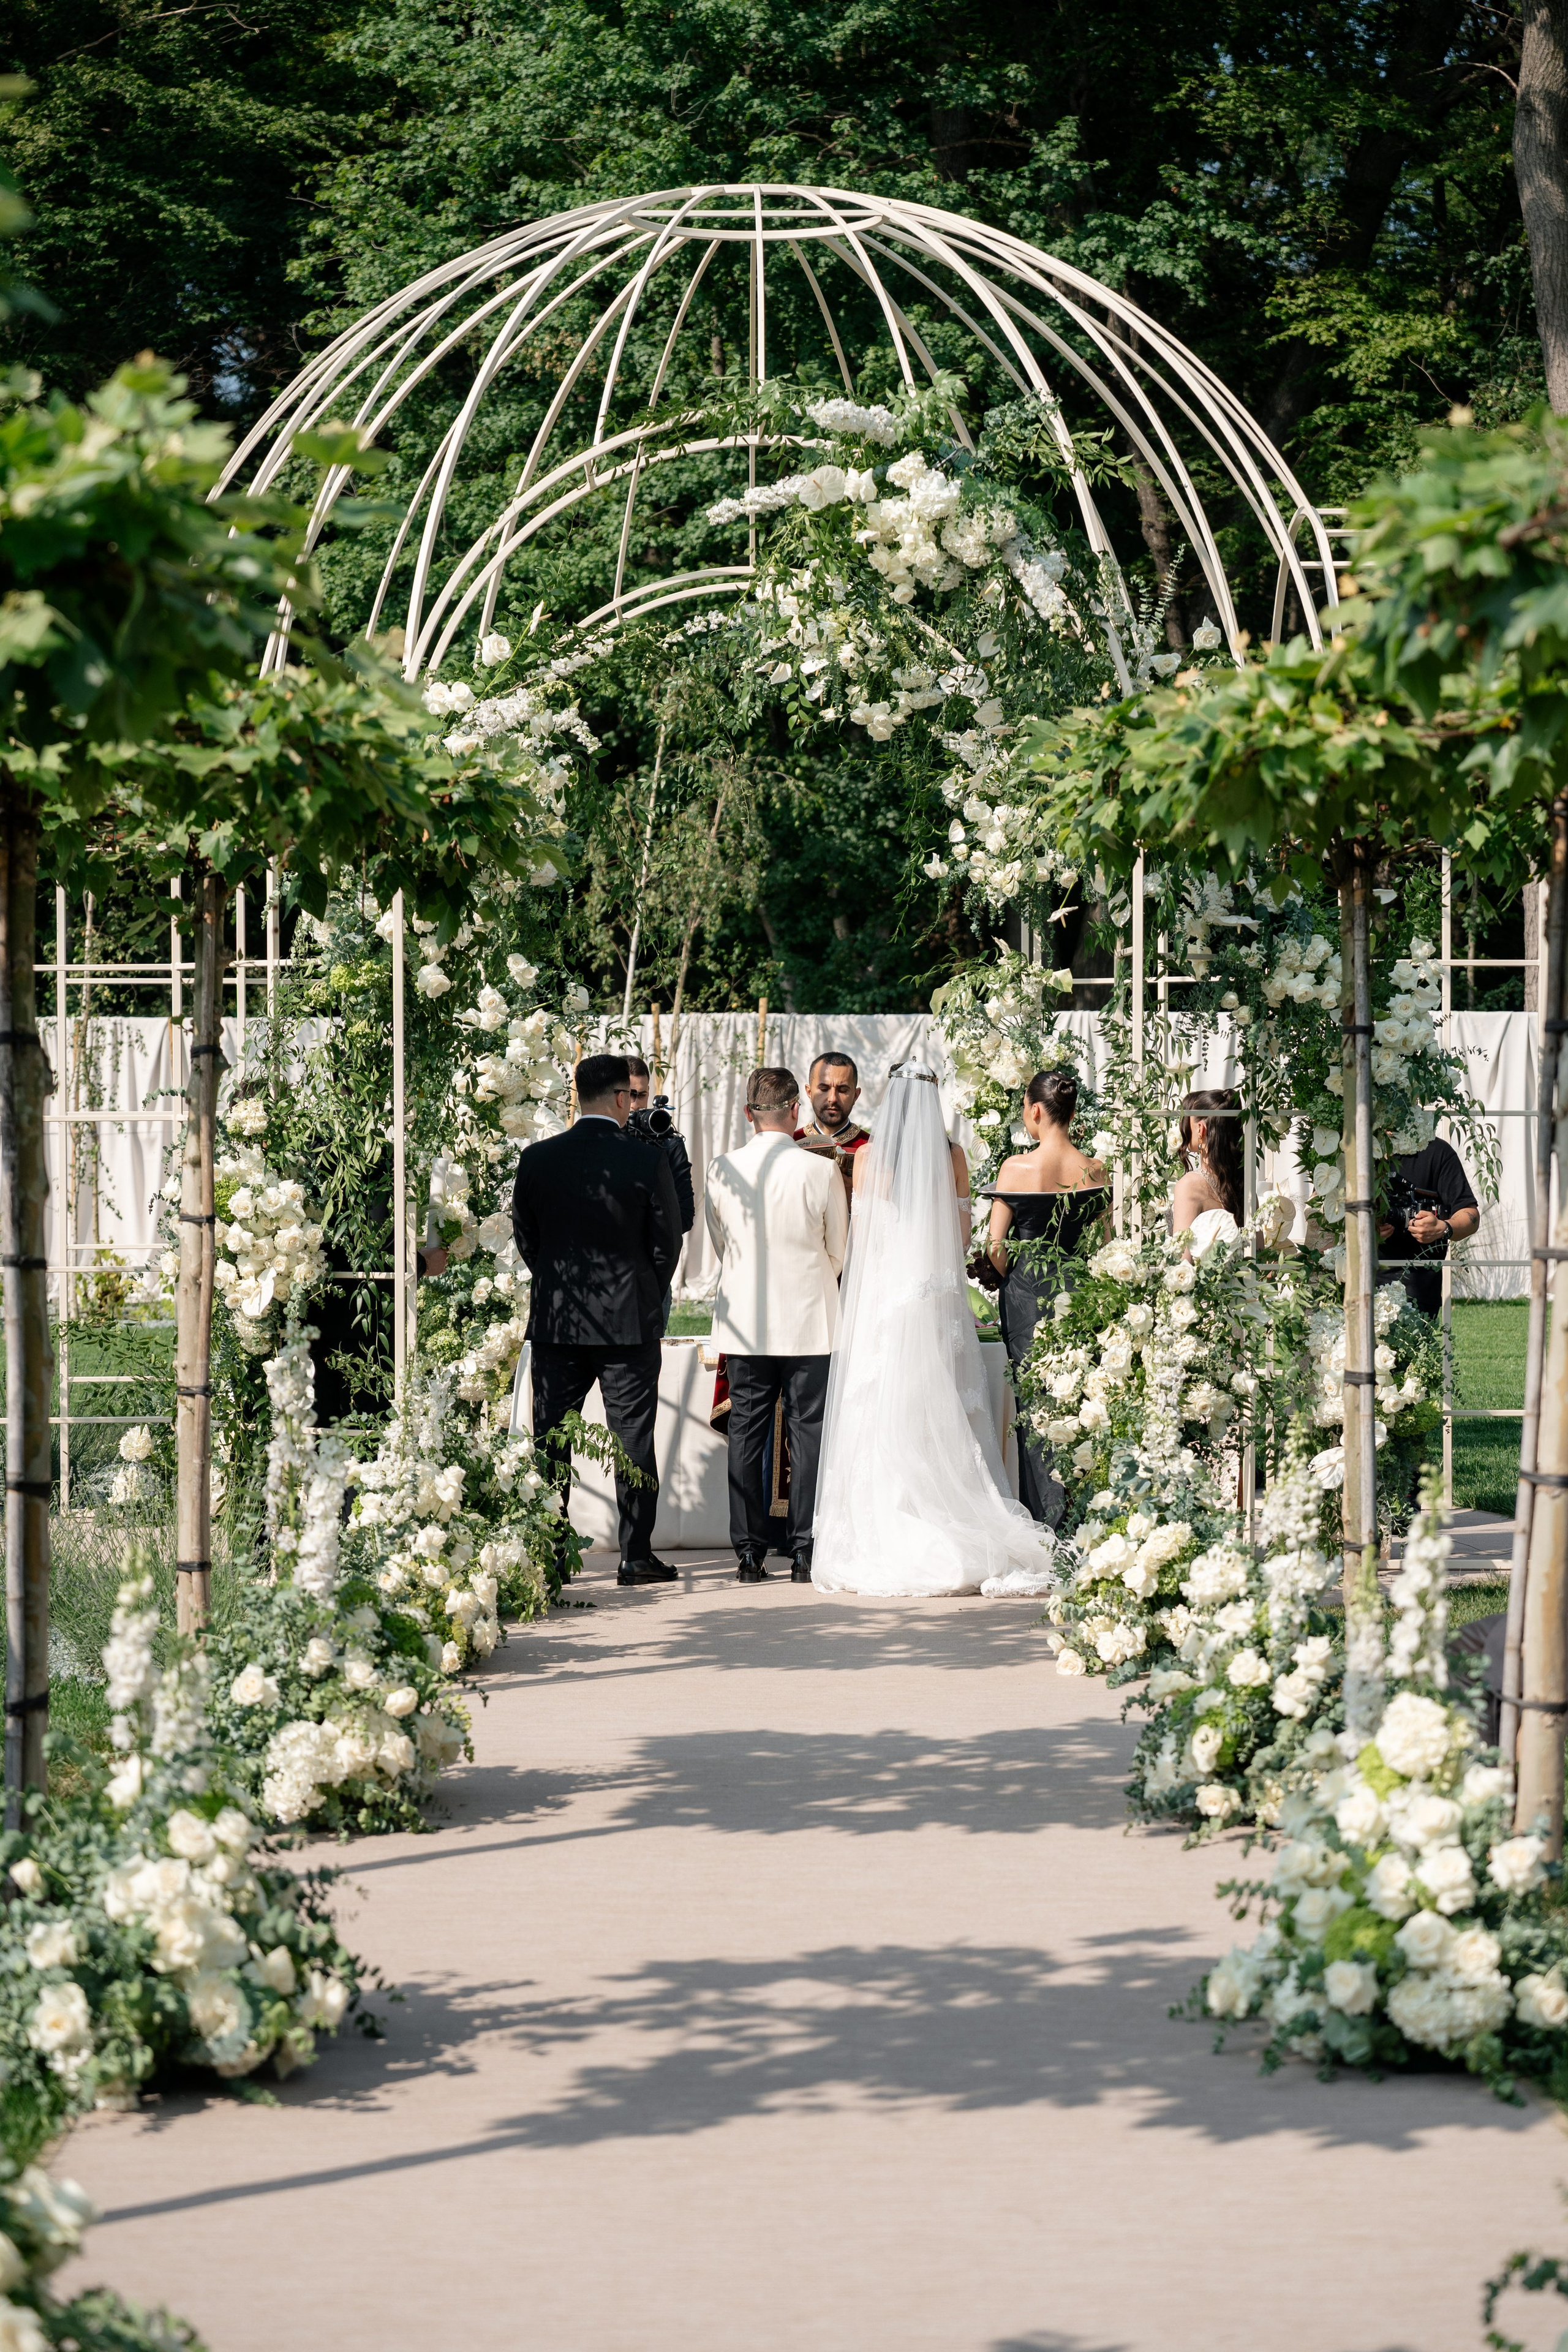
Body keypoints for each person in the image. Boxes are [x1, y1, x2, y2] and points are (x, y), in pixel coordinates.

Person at [812, 1061, 1058, 1598]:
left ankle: (886, 1524)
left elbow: (864, 1239)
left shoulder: (870, 1155)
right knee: (939, 1407)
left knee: (882, 1410)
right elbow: (962, 1234)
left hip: (886, 1299)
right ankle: (955, 1518)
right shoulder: (953, 1156)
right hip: (934, 1298)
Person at [511, 1052, 682, 1588]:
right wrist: (644, 1293)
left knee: (552, 1437)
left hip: (559, 1320)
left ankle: (552, 1550)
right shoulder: (644, 1159)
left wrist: (557, 1280)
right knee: (633, 1437)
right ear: (619, 1099)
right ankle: (634, 1555)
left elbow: (527, 1237)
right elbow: (667, 1242)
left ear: (577, 1098)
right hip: (628, 1322)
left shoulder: (537, 1159)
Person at [704, 1065, 848, 1585]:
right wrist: (809, 1278)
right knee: (809, 1436)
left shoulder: (722, 1169)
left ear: (748, 1114)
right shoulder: (821, 1170)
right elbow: (839, 1250)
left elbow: (722, 1249)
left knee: (747, 1434)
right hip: (810, 1319)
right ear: (795, 1112)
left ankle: (748, 1552)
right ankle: (805, 1549)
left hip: (745, 1322)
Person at [984, 1068, 1108, 1526]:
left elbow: (996, 1247)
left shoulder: (1015, 1169)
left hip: (1026, 1298)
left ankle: (1044, 1526)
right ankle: (1079, 1523)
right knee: (1079, 1403)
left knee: (1035, 1410)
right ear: (1072, 1112)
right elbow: (1105, 1244)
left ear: (1035, 1110)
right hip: (1078, 1296)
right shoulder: (1096, 1169)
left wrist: (1003, 1275)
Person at [627, 1054, 694, 1332]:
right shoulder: (601, 1139)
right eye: (630, 1094)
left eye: (641, 1095)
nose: (634, 1104)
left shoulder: (668, 1144)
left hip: (653, 1276)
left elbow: (686, 1216)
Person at [1378, 1135, 1480, 1317]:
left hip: (1417, 1292)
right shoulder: (1352, 1145)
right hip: (1352, 1283)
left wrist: (1442, 1228)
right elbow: (1320, 1207)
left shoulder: (1437, 1152)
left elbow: (1471, 1216)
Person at [1169, 1087, 1245, 1253]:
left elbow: (1182, 1259)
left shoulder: (1189, 1186)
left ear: (1201, 1129)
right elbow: (1258, 1254)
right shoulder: (1245, 1184)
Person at [796, 1050, 872, 1203]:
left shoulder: (871, 1147)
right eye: (824, 1089)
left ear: (856, 1096)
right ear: (809, 1092)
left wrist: (858, 1192)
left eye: (843, 1090)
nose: (832, 1099)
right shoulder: (792, 1142)